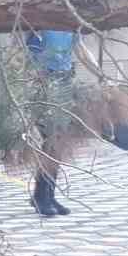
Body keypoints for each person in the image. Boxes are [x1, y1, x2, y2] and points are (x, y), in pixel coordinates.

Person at [24, 29, 76, 217]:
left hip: (63, 83)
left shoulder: (71, 27)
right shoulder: (41, 24)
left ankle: (46, 195)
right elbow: (28, 55)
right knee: (51, 141)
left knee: (57, 144)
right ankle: (41, 197)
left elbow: (77, 53)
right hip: (43, 85)